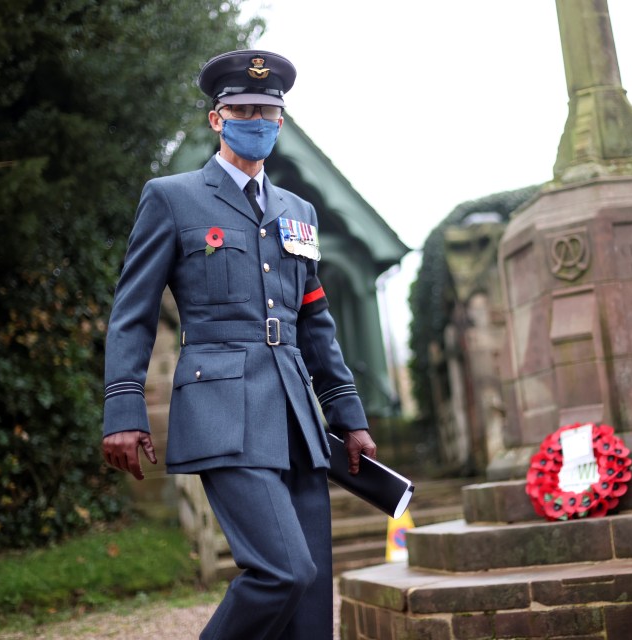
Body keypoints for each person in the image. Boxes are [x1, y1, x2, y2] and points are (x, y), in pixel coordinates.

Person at [101, 49, 378, 640]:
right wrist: (124, 408)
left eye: (268, 111)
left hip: (296, 415)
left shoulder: (296, 210)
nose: (257, 120)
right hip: (223, 411)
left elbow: (315, 319)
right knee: (283, 571)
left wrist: (348, 414)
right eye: (244, 109)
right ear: (217, 119)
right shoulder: (172, 197)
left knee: (310, 601)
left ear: (281, 121)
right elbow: (133, 311)